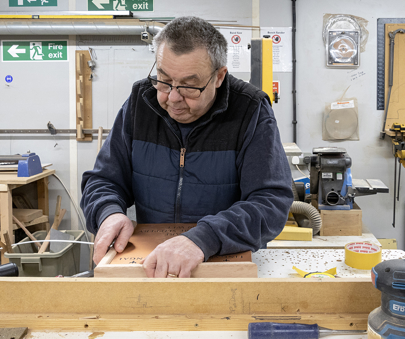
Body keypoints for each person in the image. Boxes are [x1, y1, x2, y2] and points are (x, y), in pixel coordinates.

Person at [80, 16, 293, 278]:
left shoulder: (250, 111)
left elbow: (270, 202)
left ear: (218, 77)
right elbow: (103, 180)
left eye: (189, 87)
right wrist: (108, 213)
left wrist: (204, 238)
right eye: (163, 79)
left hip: (223, 261)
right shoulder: (140, 104)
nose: (171, 98)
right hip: (152, 264)